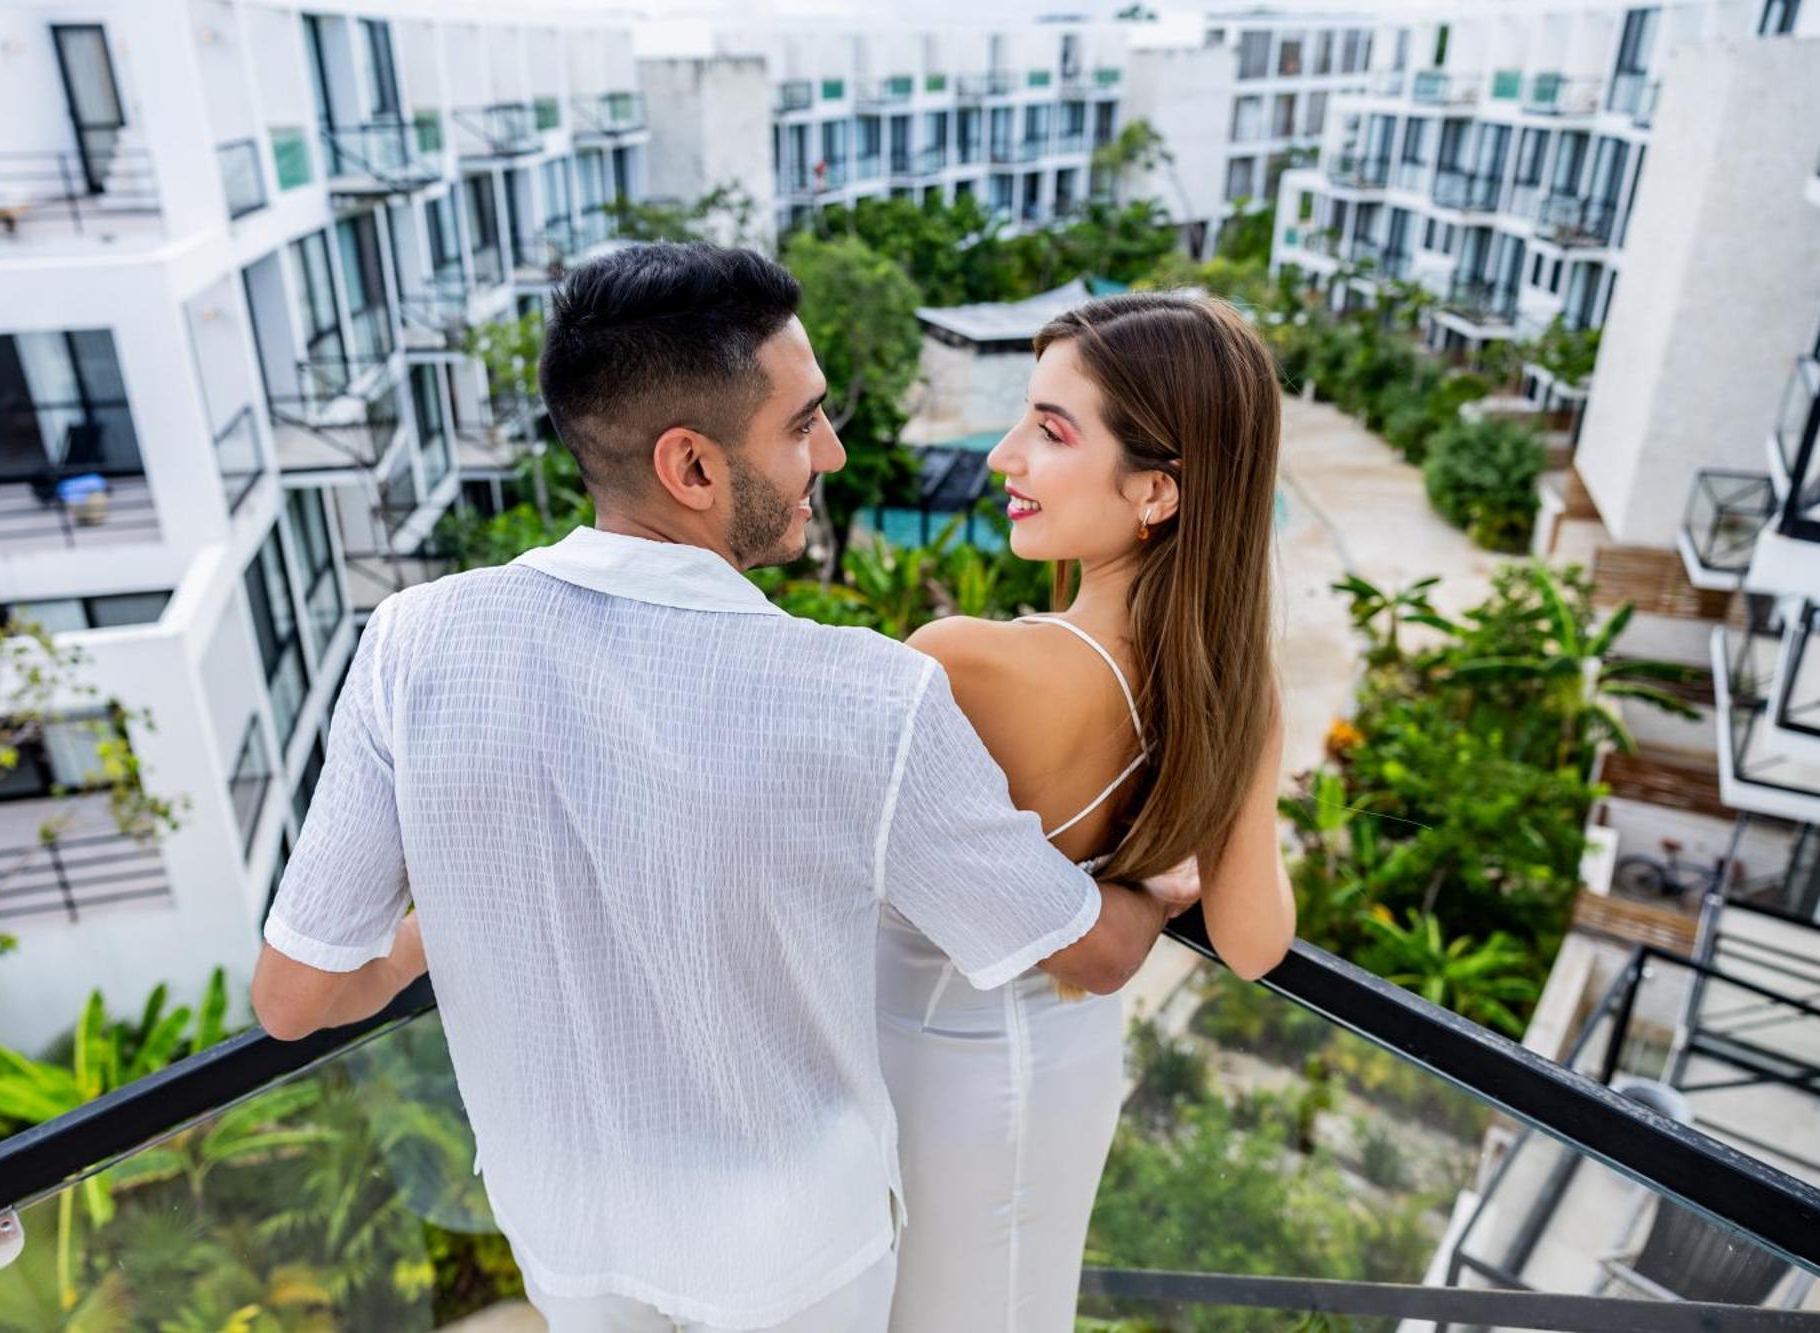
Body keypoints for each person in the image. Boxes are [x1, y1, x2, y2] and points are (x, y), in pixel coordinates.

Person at [249, 244, 1188, 1333]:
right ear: (691, 468)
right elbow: (1092, 952)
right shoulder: (867, 699)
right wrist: (1158, 889)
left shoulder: (412, 642)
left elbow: (295, 998)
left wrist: (438, 930)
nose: (831, 452)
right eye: (802, 424)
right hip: (796, 1267)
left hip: (562, 1237)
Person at [876, 291, 1300, 1332]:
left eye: (1049, 431)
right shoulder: (1232, 689)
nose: (1001, 456)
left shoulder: (963, 663)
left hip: (925, 1079)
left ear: (1155, 490)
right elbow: (1251, 941)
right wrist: (1152, 887)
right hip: (1064, 1071)